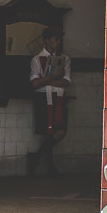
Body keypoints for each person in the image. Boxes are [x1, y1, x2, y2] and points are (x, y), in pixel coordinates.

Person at [28, 28, 71, 176]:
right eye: (55, 39)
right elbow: (34, 83)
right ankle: (50, 167)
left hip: (58, 97)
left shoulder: (64, 58)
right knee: (48, 131)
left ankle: (36, 157)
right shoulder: (36, 59)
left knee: (60, 131)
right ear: (47, 40)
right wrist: (55, 77)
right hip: (43, 98)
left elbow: (66, 82)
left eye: (59, 40)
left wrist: (46, 80)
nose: (58, 42)